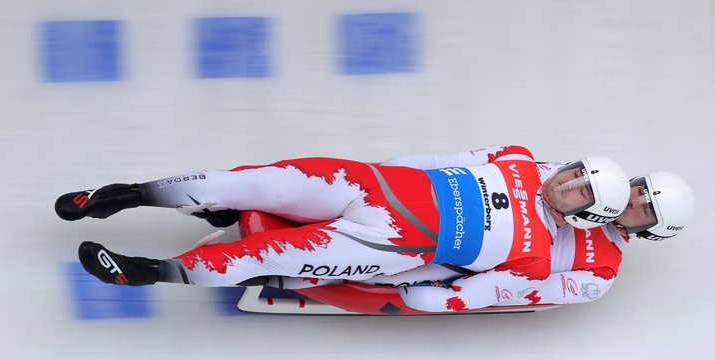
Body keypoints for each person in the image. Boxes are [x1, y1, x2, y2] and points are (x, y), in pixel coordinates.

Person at [56, 145, 631, 311]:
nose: (569, 183)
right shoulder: (517, 158)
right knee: (253, 181)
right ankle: (121, 196)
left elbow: (470, 295)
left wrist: (417, 294)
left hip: (388, 244)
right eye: (576, 172)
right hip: (372, 185)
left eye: (581, 191)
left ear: (588, 215)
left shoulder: (536, 257)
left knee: (265, 253)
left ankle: (146, 273)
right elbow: (437, 160)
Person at [270, 170, 694, 313]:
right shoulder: (584, 184)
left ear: (651, 230)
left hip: (465, 261)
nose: (636, 201)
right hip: (453, 217)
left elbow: (526, 291)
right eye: (641, 190)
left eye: (647, 210)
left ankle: (295, 276)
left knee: (409, 264)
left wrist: (456, 297)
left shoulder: (600, 274)